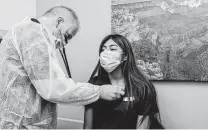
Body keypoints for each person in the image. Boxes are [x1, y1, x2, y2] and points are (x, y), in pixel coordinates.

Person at [0, 6, 124, 129]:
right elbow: (52, 89)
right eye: (67, 35)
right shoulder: (32, 33)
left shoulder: (29, 34)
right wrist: (99, 92)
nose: (64, 43)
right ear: (59, 21)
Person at [84, 34, 163, 129]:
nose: (105, 53)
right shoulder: (93, 84)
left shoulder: (142, 88)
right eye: (103, 49)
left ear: (125, 56)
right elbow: (87, 127)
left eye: (112, 49)